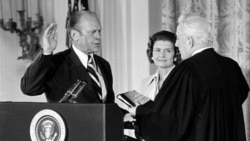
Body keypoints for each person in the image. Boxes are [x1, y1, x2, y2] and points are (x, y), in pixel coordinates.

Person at [126, 13, 249, 141]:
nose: (177, 44)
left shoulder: (186, 70)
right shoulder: (231, 66)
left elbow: (170, 121)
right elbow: (241, 94)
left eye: (179, 39)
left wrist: (139, 112)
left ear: (189, 41)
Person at [21, 10, 115, 103]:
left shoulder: (104, 65)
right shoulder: (56, 63)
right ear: (74, 35)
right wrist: (46, 52)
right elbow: (29, 88)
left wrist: (126, 113)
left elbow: (107, 108)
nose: (98, 36)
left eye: (99, 31)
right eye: (93, 32)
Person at [141, 30, 180, 101]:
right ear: (151, 54)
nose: (162, 55)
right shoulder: (145, 82)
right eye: (157, 50)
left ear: (175, 55)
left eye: (168, 51)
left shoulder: (183, 81)